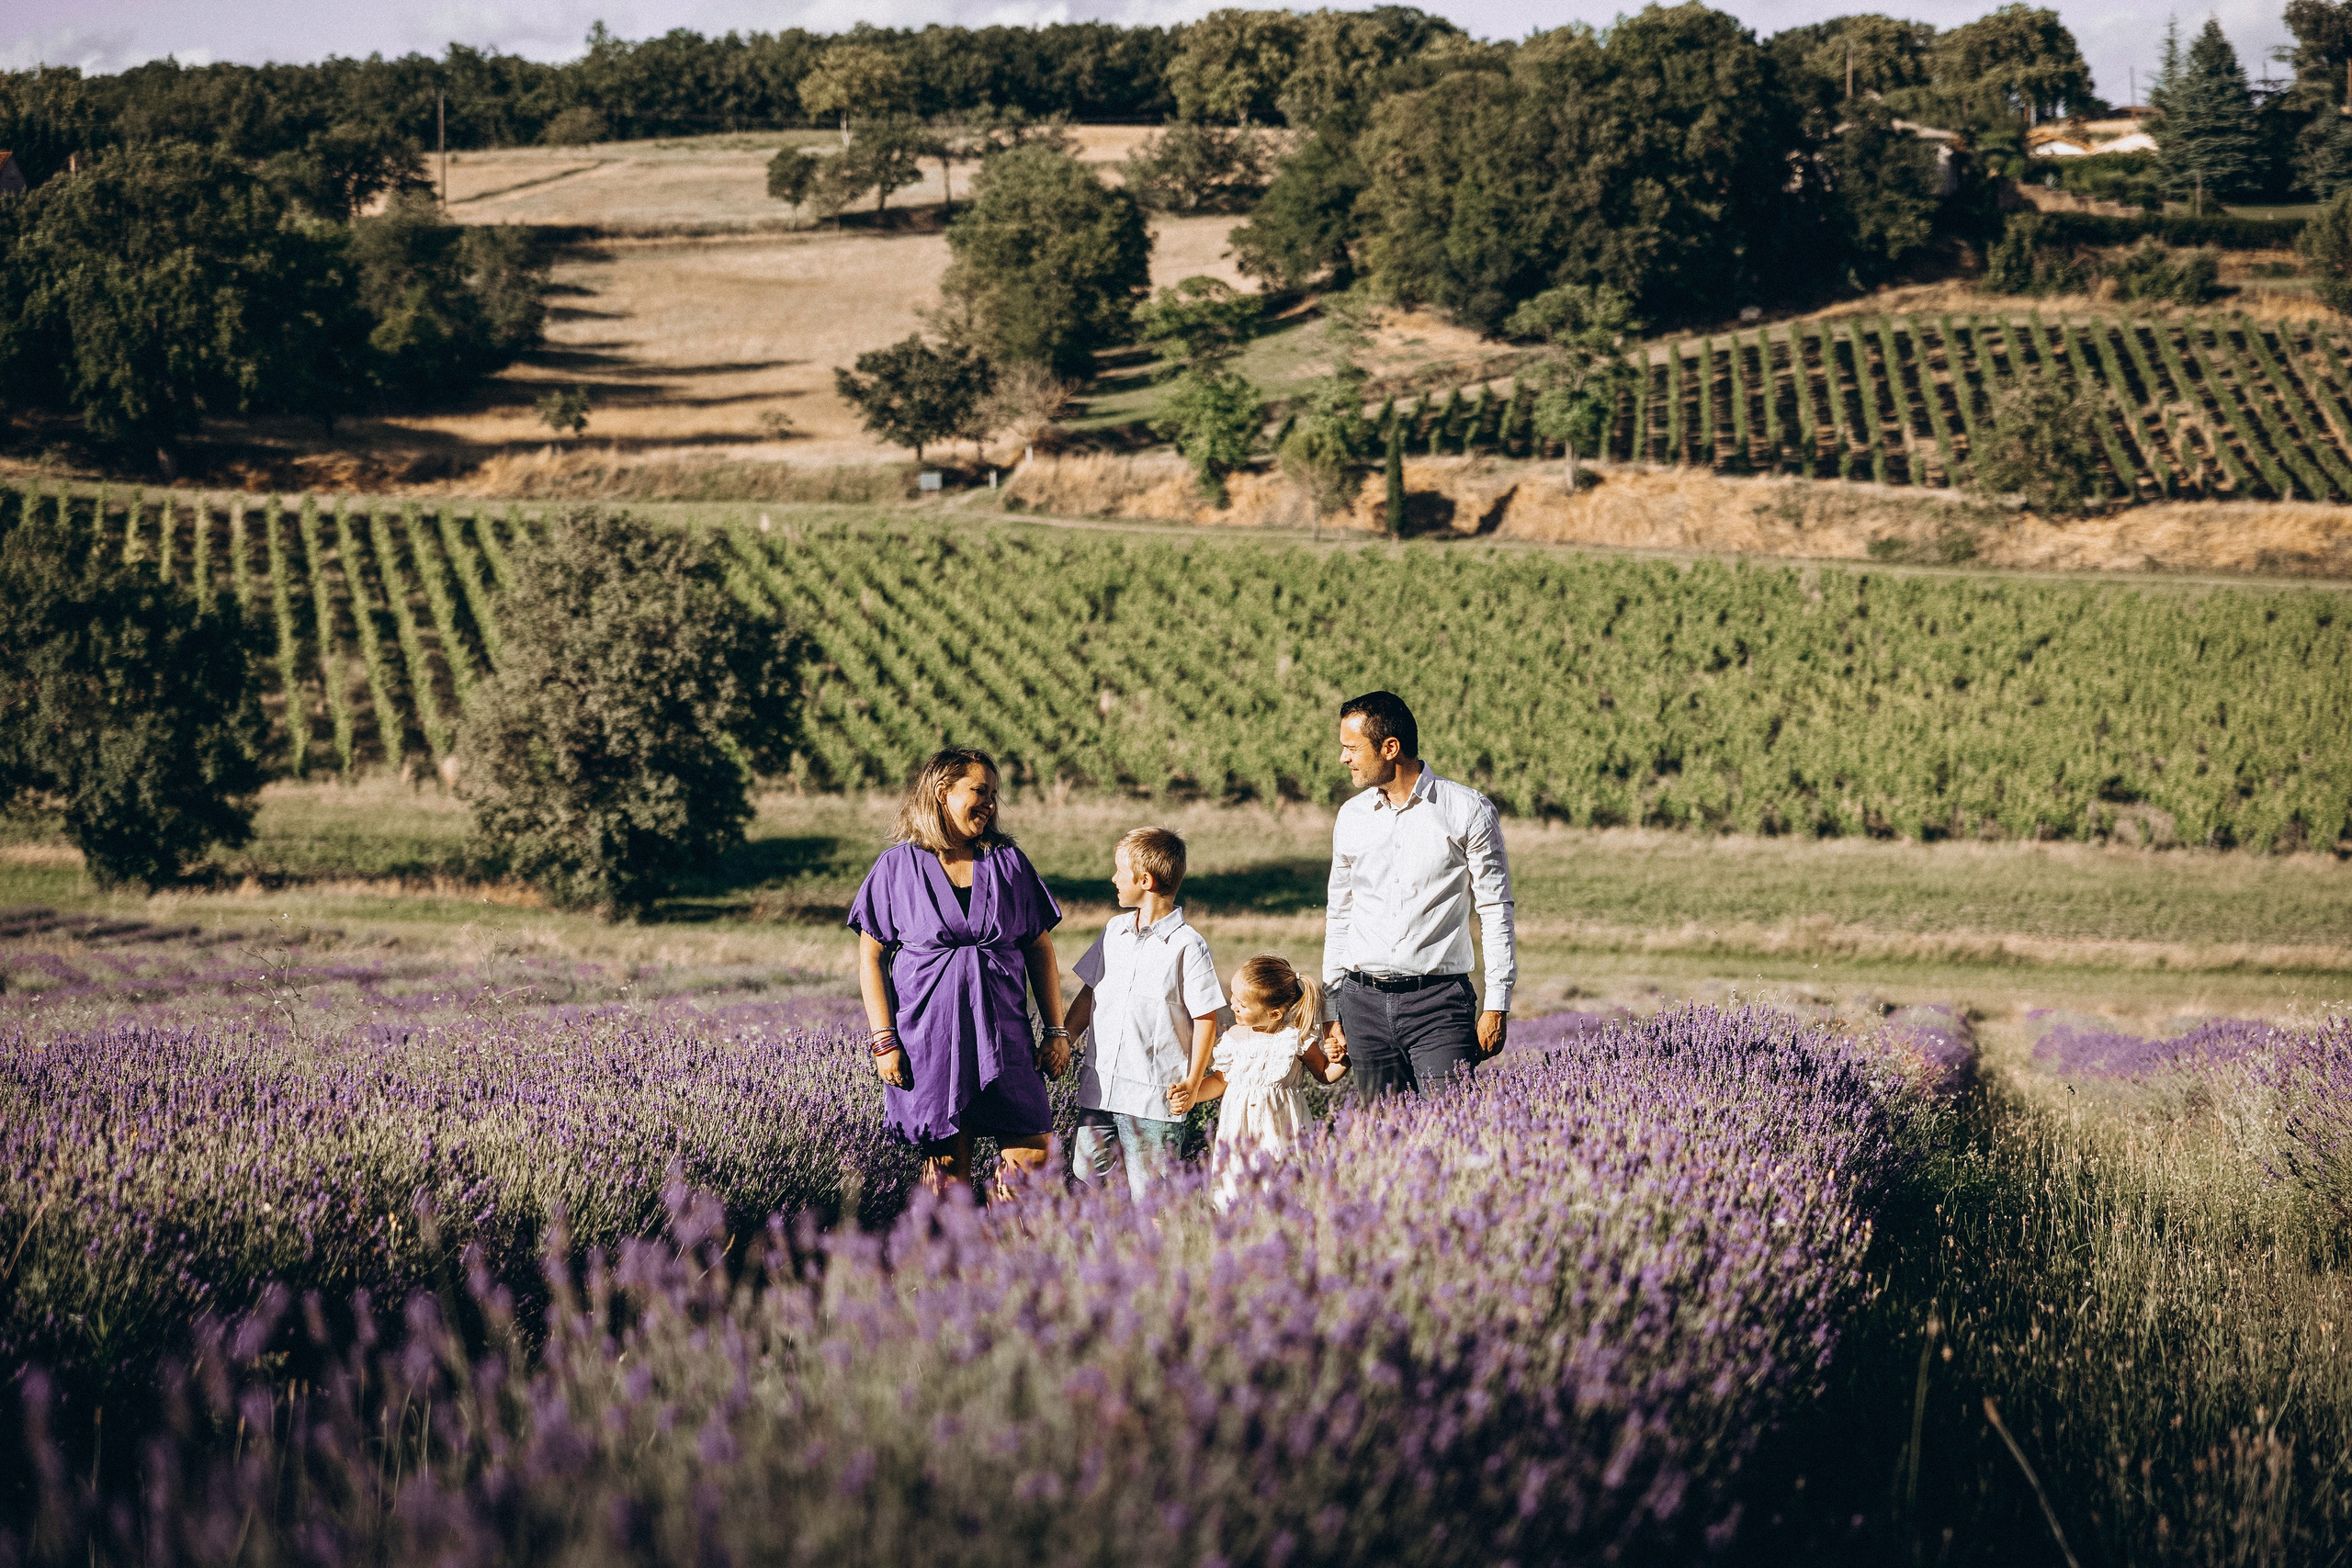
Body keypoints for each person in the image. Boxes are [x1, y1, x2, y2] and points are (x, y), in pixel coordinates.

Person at [850, 748, 1069, 1197]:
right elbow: (871, 958)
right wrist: (882, 1040)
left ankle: (1014, 1256)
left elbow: (1040, 949)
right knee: (947, 1172)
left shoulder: (1008, 863)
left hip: (1005, 1037)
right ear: (941, 792)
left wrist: (1056, 1030)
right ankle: (957, 1261)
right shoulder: (896, 868)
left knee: (1033, 1157)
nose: (989, 803)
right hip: (930, 1043)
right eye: (978, 791)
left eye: (993, 794)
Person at [1320, 690, 1517, 1096]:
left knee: (1451, 1134)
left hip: (1439, 1006)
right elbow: (1339, 912)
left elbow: (1496, 910)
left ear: (1390, 748)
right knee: (1383, 1141)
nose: (1343, 758)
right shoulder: (1350, 817)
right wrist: (1330, 1004)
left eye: (1351, 748)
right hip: (1362, 1005)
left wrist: (1497, 1003)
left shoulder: (1468, 810)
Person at [1061, 827, 1225, 1198]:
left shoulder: (1188, 946)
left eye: (1120, 871)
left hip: (1154, 1101)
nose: (1113, 878)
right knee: (1088, 1180)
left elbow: (1206, 1019)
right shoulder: (1113, 931)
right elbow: (1090, 991)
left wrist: (1193, 1082)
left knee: (1153, 1200)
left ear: (1145, 880)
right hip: (1100, 1090)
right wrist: (1065, 1038)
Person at [1167, 953, 1344, 1209]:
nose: (1233, 1006)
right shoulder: (1233, 1038)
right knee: (1236, 1189)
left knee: (1282, 1188)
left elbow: (1325, 1074)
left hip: (1281, 1130)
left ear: (1274, 1013)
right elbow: (1219, 1082)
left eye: (1243, 1004)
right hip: (1238, 1132)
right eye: (1234, 998)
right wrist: (1191, 1094)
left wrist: (1341, 1060)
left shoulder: (1294, 1038)